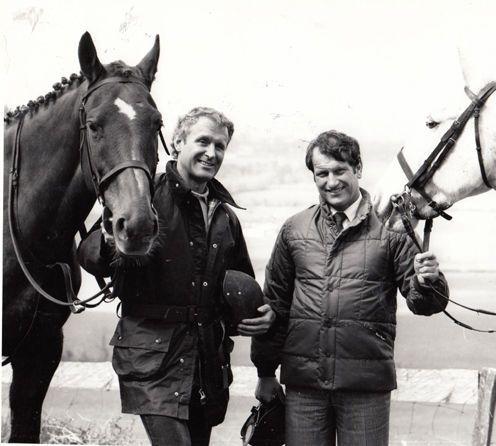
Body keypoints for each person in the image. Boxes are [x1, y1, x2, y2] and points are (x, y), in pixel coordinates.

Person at [78, 107, 275, 446]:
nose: (212, 153)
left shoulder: (225, 216)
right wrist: (112, 239)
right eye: (203, 141)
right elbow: (91, 256)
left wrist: (260, 314)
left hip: (206, 363)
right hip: (152, 359)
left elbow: (239, 284)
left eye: (220, 146)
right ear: (178, 142)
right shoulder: (144, 196)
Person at [251, 130, 449, 446]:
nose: (331, 181)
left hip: (366, 387)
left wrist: (429, 282)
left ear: (357, 169)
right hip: (304, 389)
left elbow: (423, 303)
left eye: (340, 170)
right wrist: (264, 372)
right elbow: (275, 305)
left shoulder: (393, 228)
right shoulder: (293, 229)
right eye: (322, 173)